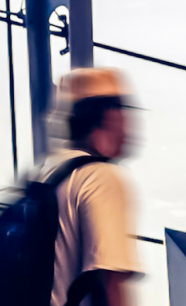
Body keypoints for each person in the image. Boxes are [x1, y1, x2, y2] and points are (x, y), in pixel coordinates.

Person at [40, 68, 143, 306]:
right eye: (125, 110)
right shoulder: (100, 178)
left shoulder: (47, 177)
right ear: (109, 114)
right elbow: (109, 284)